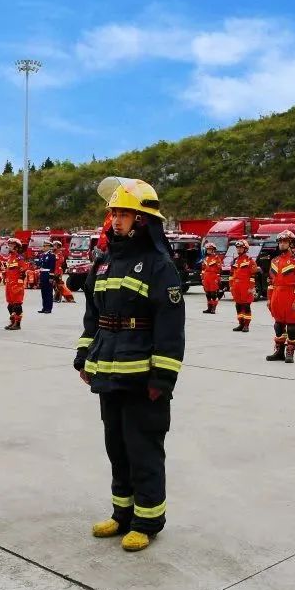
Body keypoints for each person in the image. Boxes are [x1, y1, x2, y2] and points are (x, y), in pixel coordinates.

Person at [74, 177, 184, 553]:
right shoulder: (103, 262)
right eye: (114, 212)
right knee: (116, 447)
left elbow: (171, 326)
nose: (116, 220)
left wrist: (163, 376)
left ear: (142, 220)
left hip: (142, 379)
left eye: (124, 213)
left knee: (143, 449)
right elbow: (93, 314)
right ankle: (122, 515)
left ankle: (148, 520)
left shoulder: (159, 265)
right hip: (108, 373)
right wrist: (83, 353)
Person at [264, 231, 295, 363]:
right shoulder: (274, 261)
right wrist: (269, 299)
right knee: (278, 325)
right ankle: (279, 351)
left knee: (291, 327)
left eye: (285, 242)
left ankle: (290, 352)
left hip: (290, 295)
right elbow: (270, 282)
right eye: (280, 242)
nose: (282, 244)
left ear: (291, 243)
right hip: (276, 295)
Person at [228, 239, 257, 332]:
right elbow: (231, 274)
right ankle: (241, 324)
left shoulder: (250, 261)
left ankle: (246, 325)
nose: (239, 249)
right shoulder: (235, 261)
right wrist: (231, 286)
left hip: (246, 286)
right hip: (236, 286)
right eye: (238, 248)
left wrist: (251, 287)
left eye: (241, 248)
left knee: (246, 306)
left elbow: (253, 276)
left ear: (245, 249)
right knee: (238, 306)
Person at [3, 237, 27, 330]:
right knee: (10, 306)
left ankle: (18, 324)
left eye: (11, 245)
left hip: (16, 285)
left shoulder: (19, 258)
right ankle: (13, 322)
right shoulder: (9, 258)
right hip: (9, 284)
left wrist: (19, 285)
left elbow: (23, 272)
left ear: (16, 247)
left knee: (17, 305)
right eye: (9, 245)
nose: (9, 246)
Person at [34, 241, 56, 314]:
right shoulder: (42, 255)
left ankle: (49, 308)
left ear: (49, 247)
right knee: (43, 292)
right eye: (43, 246)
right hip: (42, 274)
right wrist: (36, 258)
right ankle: (44, 307)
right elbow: (39, 264)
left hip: (48, 274)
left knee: (48, 292)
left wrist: (51, 277)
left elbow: (52, 267)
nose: (43, 247)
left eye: (45, 246)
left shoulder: (51, 255)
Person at [200, 243, 222, 314]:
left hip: (213, 277)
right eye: (207, 249)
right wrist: (202, 278)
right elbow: (203, 269)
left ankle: (213, 308)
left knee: (213, 294)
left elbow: (219, 269)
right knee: (208, 294)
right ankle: (209, 308)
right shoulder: (206, 258)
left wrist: (218, 278)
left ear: (213, 250)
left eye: (209, 249)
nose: (208, 251)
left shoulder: (217, 258)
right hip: (206, 277)